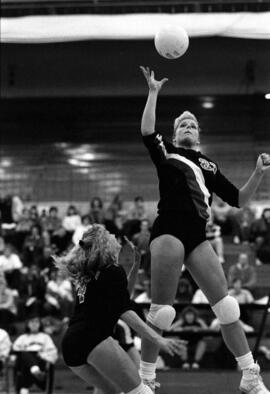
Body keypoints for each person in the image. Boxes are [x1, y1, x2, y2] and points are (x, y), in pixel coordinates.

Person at [139, 65, 270, 393]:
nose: (188, 126)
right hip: (169, 229)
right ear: (174, 133)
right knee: (163, 312)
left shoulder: (209, 165)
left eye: (193, 124)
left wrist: (259, 173)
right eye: (182, 123)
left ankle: (249, 373)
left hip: (197, 236)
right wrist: (153, 93)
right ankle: (145, 377)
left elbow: (239, 199)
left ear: (199, 135)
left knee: (227, 307)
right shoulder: (166, 153)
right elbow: (146, 131)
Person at [53, 224, 185, 394]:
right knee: (142, 392)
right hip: (94, 338)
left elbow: (121, 298)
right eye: (109, 234)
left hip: (71, 344)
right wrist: (158, 339)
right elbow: (124, 309)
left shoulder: (89, 271)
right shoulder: (112, 270)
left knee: (113, 392)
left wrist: (136, 264)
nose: (114, 235)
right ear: (104, 243)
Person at [12, 312, 58, 394]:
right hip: (25, 364)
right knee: (24, 354)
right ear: (27, 324)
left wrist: (41, 354)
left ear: (40, 324)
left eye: (36, 322)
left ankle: (24, 388)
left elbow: (53, 352)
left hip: (41, 362)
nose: (34, 324)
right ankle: (35, 371)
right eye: (31, 322)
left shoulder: (45, 337)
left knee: (28, 355)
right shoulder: (23, 337)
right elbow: (15, 350)